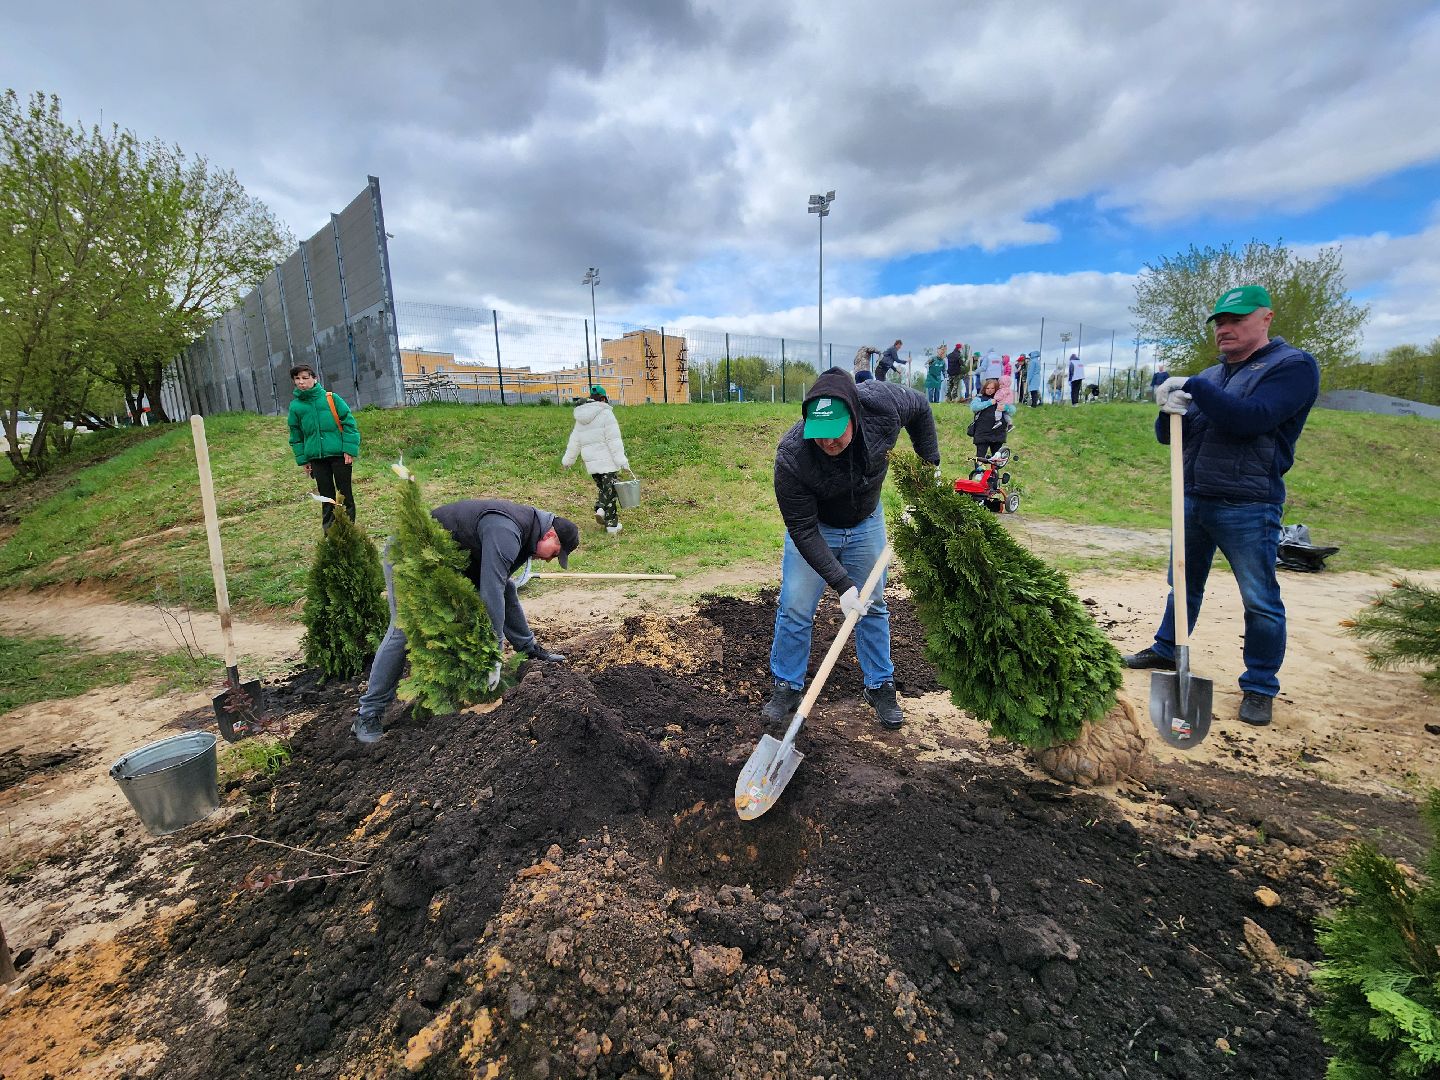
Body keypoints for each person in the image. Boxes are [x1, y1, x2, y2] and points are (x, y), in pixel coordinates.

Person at [1124, 285, 1321, 729]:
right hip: (1193, 497)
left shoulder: (1292, 367)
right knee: (1182, 582)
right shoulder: (1212, 376)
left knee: (1259, 598)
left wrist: (1190, 386)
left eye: (1236, 319)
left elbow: (1250, 419)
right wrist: (1166, 410)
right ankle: (1166, 647)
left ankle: (1260, 685)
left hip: (1248, 504)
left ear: (1266, 318)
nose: (1225, 328)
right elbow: (1172, 437)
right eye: (1219, 321)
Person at [764, 368, 940, 730]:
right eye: (820, 435)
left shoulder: (883, 405)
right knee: (795, 607)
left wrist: (930, 467)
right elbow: (801, 528)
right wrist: (842, 584)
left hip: (866, 522)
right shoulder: (792, 456)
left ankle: (879, 685)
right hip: (817, 530)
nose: (827, 443)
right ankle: (787, 686)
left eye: (835, 434)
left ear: (854, 417)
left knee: (873, 605)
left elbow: (921, 407)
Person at [353, 500, 581, 742]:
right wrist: (495, 650)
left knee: (506, 589)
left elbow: (504, 588)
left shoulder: (526, 534)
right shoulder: (507, 531)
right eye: (554, 553)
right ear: (549, 534)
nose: (549, 561)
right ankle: (368, 714)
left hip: (442, 562)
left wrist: (527, 648)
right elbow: (490, 590)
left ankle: (530, 648)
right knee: (403, 629)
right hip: (410, 554)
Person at [287, 364, 359, 531]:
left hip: (339, 455)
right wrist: (304, 459)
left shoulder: (331, 398)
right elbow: (296, 435)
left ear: (314, 379)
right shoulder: (295, 406)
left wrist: (349, 449)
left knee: (344, 494)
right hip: (316, 458)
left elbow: (349, 423)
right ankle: (330, 533)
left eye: (305, 378)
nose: (301, 382)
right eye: (297, 378)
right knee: (326, 497)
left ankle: (348, 531)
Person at [562, 384, 629, 535]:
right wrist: (622, 461)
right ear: (604, 399)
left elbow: (575, 441)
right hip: (608, 463)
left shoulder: (580, 418)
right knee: (610, 492)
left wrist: (568, 460)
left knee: (605, 490)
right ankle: (607, 518)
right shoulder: (606, 414)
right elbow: (614, 440)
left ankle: (605, 515)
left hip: (592, 464)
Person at [969, 378, 1014, 458]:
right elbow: (974, 407)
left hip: (998, 433)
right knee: (980, 457)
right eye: (987, 388)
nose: (990, 390)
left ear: (997, 388)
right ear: (984, 388)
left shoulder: (1002, 399)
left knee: (996, 458)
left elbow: (1013, 410)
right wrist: (989, 402)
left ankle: (994, 470)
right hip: (982, 433)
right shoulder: (979, 398)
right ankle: (979, 470)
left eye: (992, 388)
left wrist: (1006, 408)